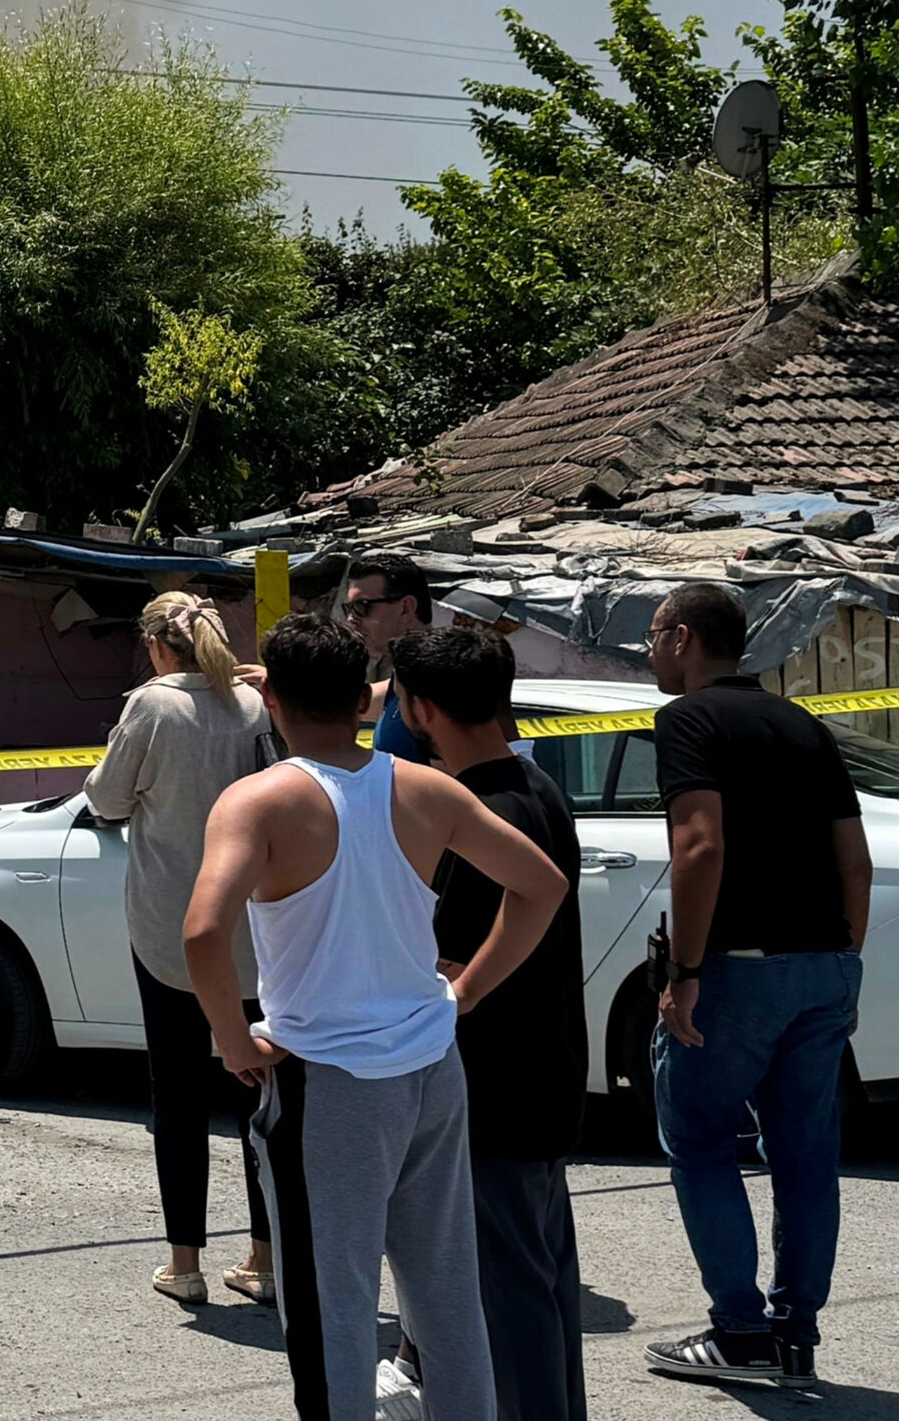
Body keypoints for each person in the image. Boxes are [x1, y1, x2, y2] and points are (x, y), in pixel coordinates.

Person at [184, 614, 566, 1421]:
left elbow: (203, 932)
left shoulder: (257, 802)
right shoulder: (428, 788)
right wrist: (467, 992)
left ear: (272, 701)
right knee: (446, 1289)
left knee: (334, 1301)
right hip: (431, 1066)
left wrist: (231, 1040)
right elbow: (542, 885)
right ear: (365, 700)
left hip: (328, 1080)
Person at [640, 580, 868, 1391]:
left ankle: (740, 1334)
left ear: (683, 637)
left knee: (703, 1143)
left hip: (738, 971)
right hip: (823, 966)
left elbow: (700, 846)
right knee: (806, 1155)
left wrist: (686, 973)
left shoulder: (687, 720)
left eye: (654, 634)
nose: (649, 650)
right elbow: (854, 860)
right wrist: (846, 965)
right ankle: (795, 1335)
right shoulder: (804, 724)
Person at [391, 626, 588, 1421]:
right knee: (541, 1286)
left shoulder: (484, 814)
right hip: (544, 1071)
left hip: (493, 1087)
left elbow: (453, 961)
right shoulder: (535, 786)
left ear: (423, 709)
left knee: (506, 1302)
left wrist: (459, 990)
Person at [82, 592, 276, 1309]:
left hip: (169, 927)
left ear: (158, 646)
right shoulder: (252, 706)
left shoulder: (153, 705)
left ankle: (184, 1261)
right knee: (257, 1095)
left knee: (178, 1094)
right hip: (251, 930)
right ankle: (264, 1258)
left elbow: (106, 799)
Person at [346, 555, 436, 762]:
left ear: (406, 608)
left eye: (363, 606)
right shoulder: (404, 677)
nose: (351, 619)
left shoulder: (439, 679)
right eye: (349, 608)